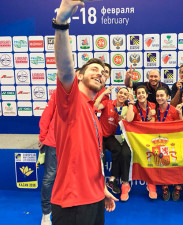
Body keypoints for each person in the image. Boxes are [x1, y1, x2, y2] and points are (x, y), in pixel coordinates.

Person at [51, 1, 117, 225]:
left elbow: (93, 156)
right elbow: (64, 68)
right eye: (94, 69)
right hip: (74, 203)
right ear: (79, 75)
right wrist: (61, 23)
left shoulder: (91, 109)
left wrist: (101, 188)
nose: (100, 74)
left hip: (94, 197)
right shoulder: (72, 100)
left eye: (103, 73)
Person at [95, 87, 132, 201]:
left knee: (119, 150)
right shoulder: (108, 102)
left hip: (110, 137)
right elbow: (95, 107)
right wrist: (104, 94)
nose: (122, 95)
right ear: (117, 94)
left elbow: (129, 122)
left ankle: (111, 180)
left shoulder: (126, 109)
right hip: (99, 136)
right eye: (121, 93)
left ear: (127, 97)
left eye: (125, 94)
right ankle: (97, 185)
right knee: (102, 157)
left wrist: (123, 119)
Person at [125, 85, 157, 199]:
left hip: (148, 138)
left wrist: (149, 118)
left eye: (143, 93)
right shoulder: (134, 106)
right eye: (138, 93)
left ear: (147, 95)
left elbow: (152, 125)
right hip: (135, 140)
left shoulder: (152, 106)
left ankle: (151, 183)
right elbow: (128, 119)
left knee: (153, 153)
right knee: (126, 154)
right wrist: (130, 103)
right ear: (136, 96)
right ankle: (125, 184)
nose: (141, 95)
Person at [154, 87, 180, 201]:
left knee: (176, 164)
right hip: (160, 142)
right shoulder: (154, 110)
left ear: (168, 97)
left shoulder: (174, 110)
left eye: (162, 95)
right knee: (162, 162)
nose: (159, 98)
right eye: (157, 96)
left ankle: (177, 186)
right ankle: (165, 186)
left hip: (173, 142)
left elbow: (180, 127)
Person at [38, 90, 57, 225]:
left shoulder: (85, 96)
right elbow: (46, 116)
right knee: (50, 177)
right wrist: (43, 138)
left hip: (74, 145)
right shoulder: (58, 93)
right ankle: (46, 213)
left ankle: (64, 207)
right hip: (54, 143)